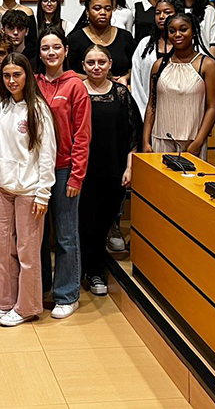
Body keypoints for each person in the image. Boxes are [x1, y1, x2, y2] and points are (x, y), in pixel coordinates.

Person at [0, 53, 56, 327]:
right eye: (6, 75)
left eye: (16, 75)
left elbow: (47, 153)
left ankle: (27, 307)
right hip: (4, 188)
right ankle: (6, 302)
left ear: (27, 76)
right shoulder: (3, 105)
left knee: (27, 252)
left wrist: (43, 192)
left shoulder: (38, 109)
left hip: (30, 190)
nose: (11, 80)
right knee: (1, 249)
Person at [37, 26, 91, 319]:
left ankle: (67, 294)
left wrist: (76, 175)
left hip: (64, 169)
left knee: (66, 235)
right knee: (38, 234)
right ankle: (42, 287)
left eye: (56, 47)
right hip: (36, 171)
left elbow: (82, 135)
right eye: (45, 48)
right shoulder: (33, 83)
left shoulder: (75, 86)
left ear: (66, 50)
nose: (51, 53)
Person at [80, 45, 141, 295]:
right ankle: (86, 271)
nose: (96, 67)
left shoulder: (121, 93)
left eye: (101, 62)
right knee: (84, 224)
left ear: (110, 64)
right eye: (91, 62)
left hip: (113, 170)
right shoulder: (77, 91)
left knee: (103, 225)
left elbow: (134, 134)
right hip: (82, 172)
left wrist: (130, 167)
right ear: (83, 66)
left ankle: (95, 270)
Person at [142, 13, 215, 157]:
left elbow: (212, 108)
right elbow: (152, 104)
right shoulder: (159, 65)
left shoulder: (207, 65)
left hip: (192, 143)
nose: (177, 34)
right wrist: (146, 141)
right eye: (172, 31)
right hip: (160, 140)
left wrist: (198, 142)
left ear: (193, 32)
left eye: (183, 29)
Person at [67, 0, 135, 84]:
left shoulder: (125, 37)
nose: (103, 12)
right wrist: (97, 79)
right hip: (85, 89)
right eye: (97, 8)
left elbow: (136, 67)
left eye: (108, 9)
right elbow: (68, 72)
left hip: (120, 89)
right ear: (87, 12)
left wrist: (125, 78)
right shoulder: (75, 38)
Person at [130, 0, 181, 114]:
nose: (161, 16)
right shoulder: (145, 44)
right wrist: (144, 112)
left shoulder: (188, 45)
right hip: (147, 111)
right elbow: (136, 81)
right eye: (158, 13)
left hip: (180, 111)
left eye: (167, 12)